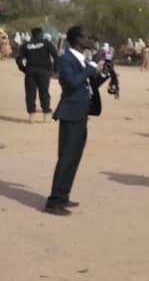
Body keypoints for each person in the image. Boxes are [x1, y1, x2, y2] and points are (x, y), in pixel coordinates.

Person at [44, 26, 113, 216]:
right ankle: (54, 201)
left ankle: (63, 196)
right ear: (77, 40)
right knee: (66, 158)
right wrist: (91, 66)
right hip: (70, 113)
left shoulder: (83, 60)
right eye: (88, 37)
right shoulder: (66, 59)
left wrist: (105, 72)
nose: (91, 40)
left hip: (81, 113)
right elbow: (72, 83)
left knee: (74, 158)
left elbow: (90, 83)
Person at [16, 27, 59, 122]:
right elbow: (56, 56)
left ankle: (31, 116)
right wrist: (54, 70)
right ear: (41, 34)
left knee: (30, 94)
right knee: (44, 92)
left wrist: (23, 69)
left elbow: (18, 59)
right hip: (44, 71)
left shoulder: (25, 45)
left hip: (30, 71)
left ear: (32, 34)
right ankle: (46, 114)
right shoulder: (46, 43)